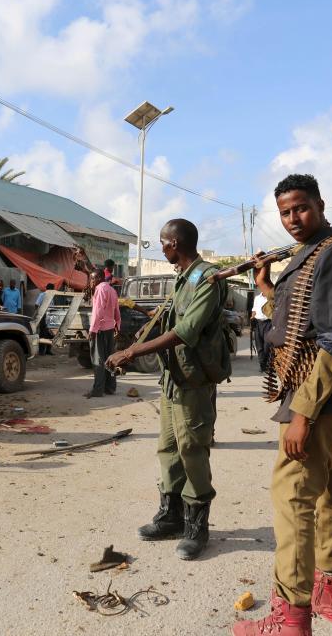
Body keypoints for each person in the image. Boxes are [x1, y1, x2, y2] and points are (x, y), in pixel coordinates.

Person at [233, 174, 332, 635]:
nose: (293, 219)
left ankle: (289, 618)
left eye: (301, 209)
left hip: (320, 394)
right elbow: (296, 321)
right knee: (330, 491)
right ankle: (329, 594)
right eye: (285, 212)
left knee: (292, 498)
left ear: (320, 203)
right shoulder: (312, 255)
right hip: (329, 394)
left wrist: (302, 415)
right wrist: (267, 286)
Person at [106, 218, 229, 562]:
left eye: (163, 242)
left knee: (192, 448)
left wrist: (131, 353)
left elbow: (186, 330)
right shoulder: (182, 279)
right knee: (169, 448)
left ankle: (196, 527)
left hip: (194, 378)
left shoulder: (207, 278)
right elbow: (168, 321)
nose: (161, 248)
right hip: (173, 377)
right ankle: (171, 516)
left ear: (174, 243)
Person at [85, 270, 120, 398]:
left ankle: (98, 390)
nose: (91, 282)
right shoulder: (112, 290)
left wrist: (93, 330)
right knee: (109, 358)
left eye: (92, 279)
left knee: (98, 359)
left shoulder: (100, 289)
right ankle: (110, 387)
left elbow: (98, 311)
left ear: (99, 278)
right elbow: (116, 309)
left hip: (100, 329)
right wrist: (117, 324)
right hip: (110, 328)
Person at [251, 291, 272, 373]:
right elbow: (254, 310)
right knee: (259, 346)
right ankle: (262, 366)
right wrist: (252, 317)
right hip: (258, 323)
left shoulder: (271, 297)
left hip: (268, 323)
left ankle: (267, 364)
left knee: (267, 345)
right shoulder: (257, 298)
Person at [36, 283, 55, 355]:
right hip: (43, 316)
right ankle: (41, 351)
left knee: (50, 333)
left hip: (50, 316)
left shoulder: (52, 296)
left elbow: (52, 306)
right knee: (43, 333)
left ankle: (48, 350)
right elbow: (36, 304)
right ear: (48, 289)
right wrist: (40, 314)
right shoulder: (42, 295)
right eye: (52, 289)